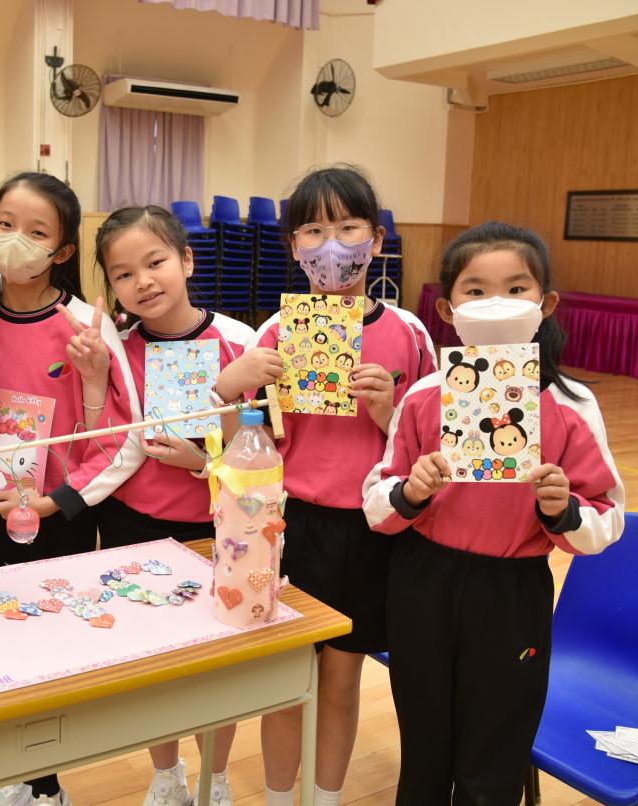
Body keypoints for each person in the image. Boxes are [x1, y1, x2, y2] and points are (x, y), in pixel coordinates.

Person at [363, 221, 626, 804]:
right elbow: (377, 504)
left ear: (546, 305)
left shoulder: (572, 405)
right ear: (447, 309)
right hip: (422, 585)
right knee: (424, 746)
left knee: (495, 752)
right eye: (475, 290)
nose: (497, 303)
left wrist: (563, 510)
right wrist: (411, 491)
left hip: (511, 594)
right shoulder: (423, 396)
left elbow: (606, 520)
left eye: (516, 288)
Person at [0, 172, 143, 806]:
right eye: (5, 225)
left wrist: (57, 501)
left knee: (51, 651)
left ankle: (46, 783)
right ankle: (9, 770)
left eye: (36, 231)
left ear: (62, 250)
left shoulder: (86, 325)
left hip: (58, 521)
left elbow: (123, 439)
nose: (15, 240)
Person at [243, 166, 435, 806]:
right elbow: (246, 446)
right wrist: (247, 389)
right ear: (294, 246)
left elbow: (433, 449)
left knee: (342, 679)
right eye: (313, 231)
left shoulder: (409, 333)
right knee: (284, 680)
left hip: (371, 527)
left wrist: (388, 413)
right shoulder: (273, 334)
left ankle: (325, 798)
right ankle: (278, 799)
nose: (331, 245)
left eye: (348, 227)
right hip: (291, 525)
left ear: (376, 240)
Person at [94, 206, 260, 806]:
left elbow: (258, 456)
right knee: (149, 660)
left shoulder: (239, 342)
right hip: (132, 524)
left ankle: (215, 775)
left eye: (155, 262)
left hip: (214, 527)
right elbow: (102, 441)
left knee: (216, 663)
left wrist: (201, 462)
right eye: (123, 274)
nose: (142, 281)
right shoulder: (115, 349)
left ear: (187, 260)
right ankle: (166, 774)